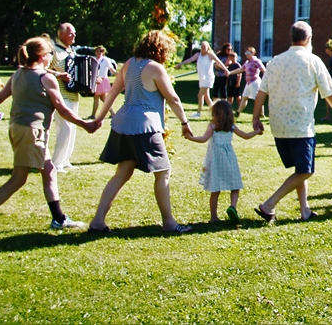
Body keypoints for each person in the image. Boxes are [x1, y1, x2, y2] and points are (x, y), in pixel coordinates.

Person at [0, 37, 100, 235]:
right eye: (50, 54)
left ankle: (59, 219)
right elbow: (62, 110)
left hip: (18, 129)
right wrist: (85, 124)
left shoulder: (18, 74)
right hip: (32, 132)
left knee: (49, 170)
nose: (51, 56)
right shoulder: (46, 78)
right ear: (42, 57)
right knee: (18, 179)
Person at [90, 30, 196, 233]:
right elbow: (173, 98)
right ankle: (169, 223)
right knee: (163, 172)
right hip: (146, 126)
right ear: (161, 49)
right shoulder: (155, 68)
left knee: (122, 172)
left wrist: (100, 118)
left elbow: (113, 91)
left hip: (123, 123)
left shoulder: (129, 64)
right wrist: (185, 121)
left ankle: (97, 222)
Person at [252, 21, 332, 223]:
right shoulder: (313, 61)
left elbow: (261, 92)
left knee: (300, 170)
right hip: (300, 127)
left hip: (279, 126)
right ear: (309, 39)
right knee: (306, 171)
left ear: (291, 37)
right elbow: (331, 94)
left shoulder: (275, 61)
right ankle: (268, 205)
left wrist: (255, 117)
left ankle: (304, 210)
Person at [184, 99, 261, 223]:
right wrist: (257, 132)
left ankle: (214, 217)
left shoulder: (213, 126)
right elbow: (246, 136)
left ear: (215, 114)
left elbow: (203, 139)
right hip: (229, 159)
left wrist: (190, 138)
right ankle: (232, 207)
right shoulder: (231, 126)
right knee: (235, 186)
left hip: (215, 160)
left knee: (215, 190)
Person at [49, 23, 83, 172]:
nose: (74, 35)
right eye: (71, 33)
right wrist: (58, 75)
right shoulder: (54, 51)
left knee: (72, 129)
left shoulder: (71, 52)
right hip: (60, 95)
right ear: (61, 34)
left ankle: (65, 160)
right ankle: (56, 162)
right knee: (65, 128)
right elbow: (42, 70)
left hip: (73, 95)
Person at [175, 41, 229, 117]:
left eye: (205, 46)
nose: (203, 48)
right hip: (202, 78)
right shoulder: (198, 55)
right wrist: (181, 64)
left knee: (200, 95)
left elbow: (219, 62)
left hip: (208, 78)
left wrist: (226, 70)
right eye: (202, 46)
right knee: (207, 97)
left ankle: (198, 113)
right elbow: (190, 60)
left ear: (208, 47)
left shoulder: (210, 55)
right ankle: (217, 113)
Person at [228, 47, 265, 116]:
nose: (247, 54)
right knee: (244, 97)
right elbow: (241, 69)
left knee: (257, 98)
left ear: (252, 53)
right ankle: (238, 112)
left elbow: (263, 70)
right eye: (246, 53)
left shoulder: (256, 61)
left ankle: (261, 113)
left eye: (248, 53)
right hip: (248, 83)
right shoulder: (247, 62)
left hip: (255, 82)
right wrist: (230, 72)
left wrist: (265, 80)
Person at [90, 45, 117, 120]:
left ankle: (93, 115)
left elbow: (112, 69)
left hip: (102, 80)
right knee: (103, 98)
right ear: (95, 52)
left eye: (101, 51)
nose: (99, 53)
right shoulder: (94, 59)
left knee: (96, 97)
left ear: (103, 52)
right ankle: (112, 113)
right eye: (97, 51)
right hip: (96, 80)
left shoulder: (105, 60)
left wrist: (118, 75)